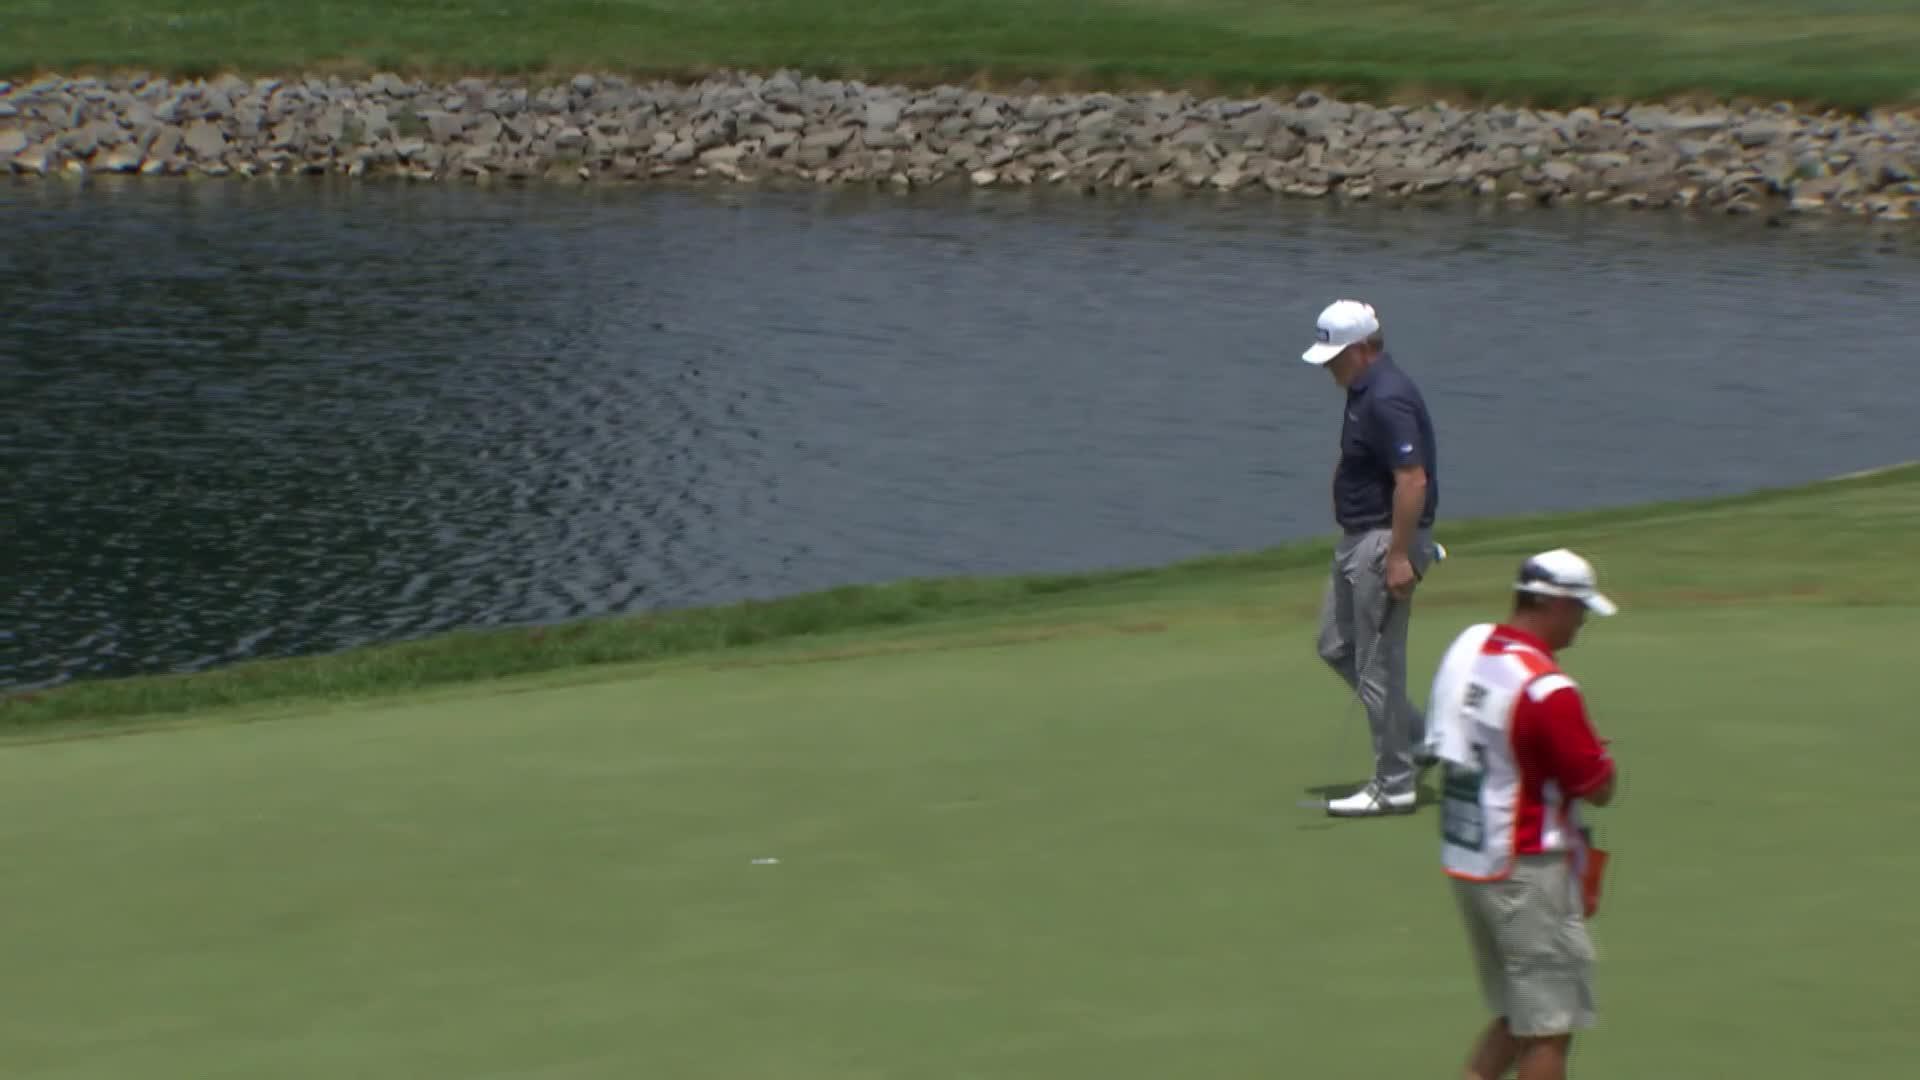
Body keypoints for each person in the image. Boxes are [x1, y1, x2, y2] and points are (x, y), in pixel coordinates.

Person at [1423, 548, 1621, 1080]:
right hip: (1526, 869)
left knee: (1517, 1014)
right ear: (1550, 605)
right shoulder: (1547, 689)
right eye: (1577, 610)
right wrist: (1602, 758)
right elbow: (1597, 785)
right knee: (1549, 1027)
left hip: (1471, 859)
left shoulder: (1470, 647)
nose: (1581, 623)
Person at [1301, 299, 1441, 817]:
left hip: (1383, 542)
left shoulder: (1386, 396)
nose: (1328, 367)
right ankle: (1421, 737)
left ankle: (1394, 782)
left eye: (1335, 356)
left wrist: (1401, 554)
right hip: (1358, 538)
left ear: (1361, 349)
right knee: (1335, 644)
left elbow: (1413, 480)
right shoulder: (1362, 389)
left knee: (1376, 663)